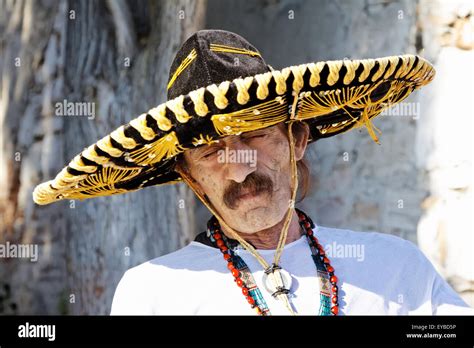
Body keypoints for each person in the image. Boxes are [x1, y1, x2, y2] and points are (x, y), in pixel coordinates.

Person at [33, 30, 471, 315]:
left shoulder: (396, 268)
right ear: (187, 175)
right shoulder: (152, 293)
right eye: (209, 152)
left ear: (298, 139)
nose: (239, 170)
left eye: (255, 136)